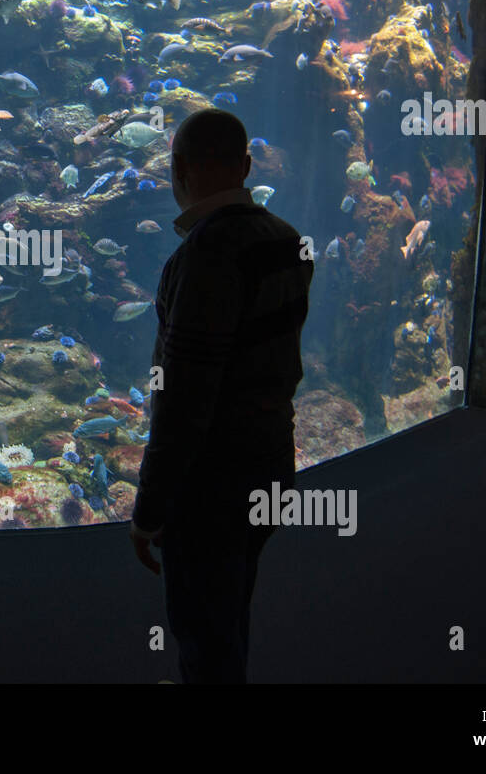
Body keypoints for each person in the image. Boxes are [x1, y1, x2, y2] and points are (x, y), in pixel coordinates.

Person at [129, 109, 313, 683]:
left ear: (177, 168)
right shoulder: (288, 241)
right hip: (270, 461)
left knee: (201, 624)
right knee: (232, 604)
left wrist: (151, 506)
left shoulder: (203, 256)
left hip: (212, 482)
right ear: (248, 166)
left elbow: (184, 400)